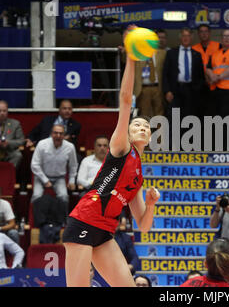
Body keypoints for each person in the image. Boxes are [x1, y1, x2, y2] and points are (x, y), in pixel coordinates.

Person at [62, 25, 160, 287]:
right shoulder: (121, 147)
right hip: (83, 219)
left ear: (149, 139)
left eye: (146, 127)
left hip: (105, 231)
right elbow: (126, 100)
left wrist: (150, 204)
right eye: (137, 125)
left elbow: (143, 225)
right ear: (127, 133)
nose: (142, 128)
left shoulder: (138, 176)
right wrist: (130, 57)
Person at [30, 124, 78, 216]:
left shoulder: (70, 147)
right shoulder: (42, 144)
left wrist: (72, 180)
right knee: (36, 196)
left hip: (59, 178)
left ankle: (62, 221)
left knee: (64, 196)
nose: (58, 136)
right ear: (51, 134)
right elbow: (35, 165)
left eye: (61, 133)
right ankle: (35, 222)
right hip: (41, 177)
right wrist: (45, 180)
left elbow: (73, 165)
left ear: (64, 135)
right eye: (55, 133)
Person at [162, 27, 205, 122]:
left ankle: (188, 137)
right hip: (175, 91)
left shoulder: (197, 55)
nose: (186, 38)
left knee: (189, 118)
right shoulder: (171, 53)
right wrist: (167, 91)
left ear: (192, 38)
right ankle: (174, 137)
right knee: (174, 118)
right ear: (180, 38)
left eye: (188, 36)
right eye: (183, 36)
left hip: (191, 91)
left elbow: (201, 76)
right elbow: (165, 74)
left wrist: (197, 90)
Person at [133, 31, 167, 118]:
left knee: (159, 115)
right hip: (144, 89)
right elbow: (125, 60)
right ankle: (146, 132)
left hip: (158, 88)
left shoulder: (162, 53)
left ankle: (160, 132)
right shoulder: (138, 53)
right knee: (144, 115)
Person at [0, 100, 25, 170]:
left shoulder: (15, 124)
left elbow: (21, 140)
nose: (2, 113)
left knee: (17, 155)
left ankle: (9, 176)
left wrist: (8, 143)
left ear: (7, 112)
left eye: (4, 111)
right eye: (0, 111)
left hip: (8, 152)